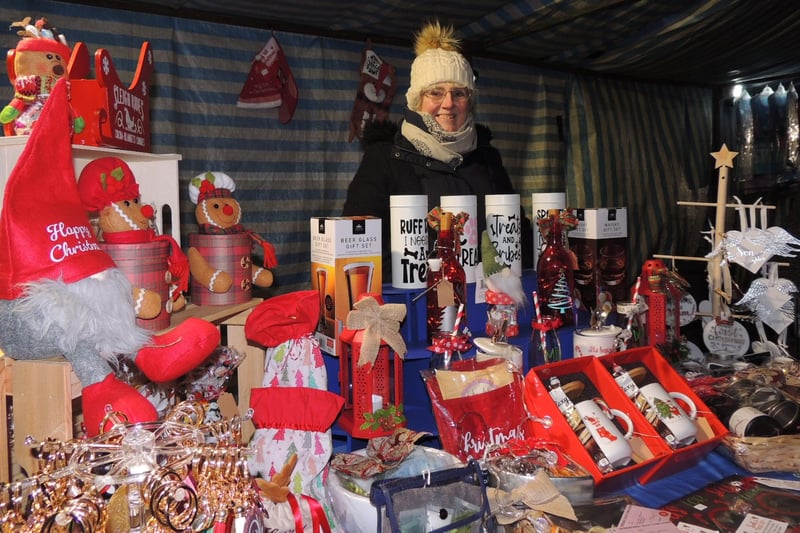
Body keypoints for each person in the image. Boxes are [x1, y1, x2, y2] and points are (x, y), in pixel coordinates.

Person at [342, 20, 532, 280]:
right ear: (417, 99)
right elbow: (360, 244)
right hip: (414, 303)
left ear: (470, 100)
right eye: (436, 92)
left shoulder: (486, 157)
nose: (449, 103)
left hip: (486, 301)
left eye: (459, 93)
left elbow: (516, 232)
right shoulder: (384, 158)